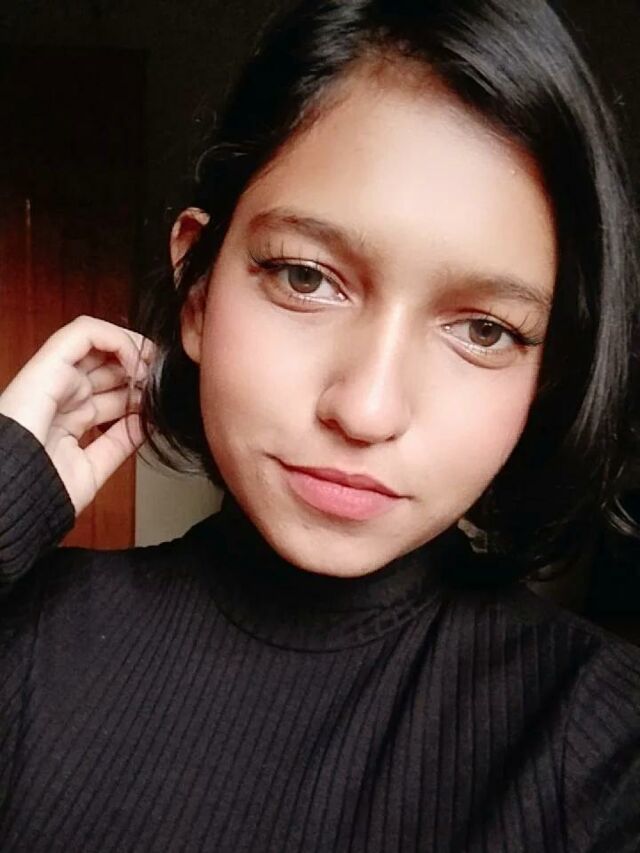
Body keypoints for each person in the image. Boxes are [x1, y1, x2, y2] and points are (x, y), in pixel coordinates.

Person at [1, 0, 639, 849]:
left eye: (486, 330)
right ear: (198, 289)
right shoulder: (31, 638)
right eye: (306, 277)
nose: (367, 410)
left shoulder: (599, 738)